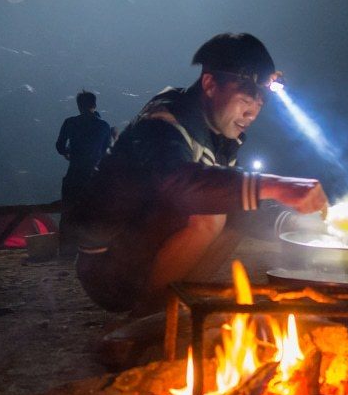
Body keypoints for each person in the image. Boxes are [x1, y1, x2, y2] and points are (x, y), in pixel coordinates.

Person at [71, 33, 328, 317]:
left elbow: (236, 202)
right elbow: (178, 183)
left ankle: (173, 306)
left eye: (257, 107)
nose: (250, 114)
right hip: (107, 266)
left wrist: (300, 223)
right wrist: (274, 184)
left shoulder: (219, 137)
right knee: (211, 212)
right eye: (244, 100)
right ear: (209, 84)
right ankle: (139, 319)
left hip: (137, 250)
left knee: (233, 208)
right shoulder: (162, 123)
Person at [55, 90, 112, 256]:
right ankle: (94, 249)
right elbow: (106, 151)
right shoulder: (103, 125)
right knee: (95, 213)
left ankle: (67, 251)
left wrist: (68, 152)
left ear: (78, 106)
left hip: (74, 174)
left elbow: (59, 146)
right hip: (94, 177)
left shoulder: (70, 123)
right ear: (94, 105)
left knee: (68, 213)